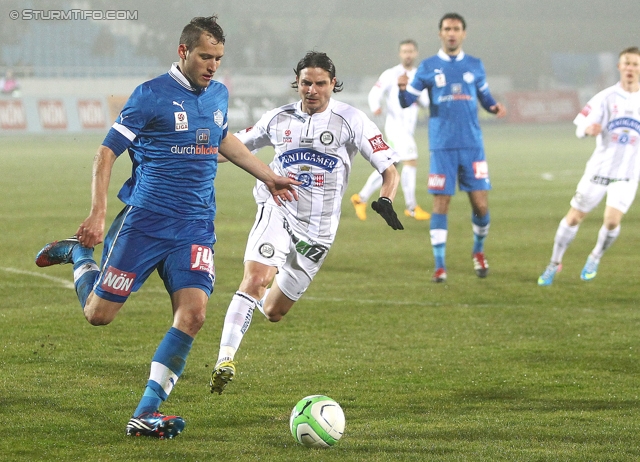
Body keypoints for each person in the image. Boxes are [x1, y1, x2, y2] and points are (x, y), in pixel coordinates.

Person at [33, 15, 298, 439]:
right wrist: (98, 214)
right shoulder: (150, 96)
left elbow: (220, 137)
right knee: (98, 316)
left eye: (218, 58)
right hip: (145, 223)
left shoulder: (218, 95)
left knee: (193, 315)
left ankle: (147, 412)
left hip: (194, 226)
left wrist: (266, 174)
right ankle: (79, 254)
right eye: (205, 57)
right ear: (183, 52)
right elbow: (106, 154)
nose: (213, 65)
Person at [209, 51, 404, 395]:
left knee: (273, 311)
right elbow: (231, 148)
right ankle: (225, 358)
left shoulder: (352, 121)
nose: (312, 90)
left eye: (320, 84)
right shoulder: (278, 118)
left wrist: (386, 198)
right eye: (306, 83)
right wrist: (187, 154)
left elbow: (389, 169)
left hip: (318, 232)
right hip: (277, 208)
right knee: (255, 279)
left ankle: (260, 299)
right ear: (297, 84)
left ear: (332, 84)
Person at [398, 12, 506, 283]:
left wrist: (494, 106)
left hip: (472, 146)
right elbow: (406, 100)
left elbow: (485, 96)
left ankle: (478, 252)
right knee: (440, 204)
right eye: (447, 29)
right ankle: (439, 265)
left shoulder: (475, 65)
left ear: (463, 33)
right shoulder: (428, 67)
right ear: (440, 33)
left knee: (481, 205)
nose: (451, 33)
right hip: (442, 147)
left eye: (456, 29)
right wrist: (402, 90)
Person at [538, 46, 640, 286]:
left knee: (613, 222)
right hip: (599, 171)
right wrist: (587, 129)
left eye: (635, 64)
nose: (630, 68)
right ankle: (554, 263)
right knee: (574, 217)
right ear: (619, 67)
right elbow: (580, 126)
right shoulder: (605, 98)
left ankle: (595, 257)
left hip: (628, 174)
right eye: (626, 63)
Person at [350, 39, 431, 221]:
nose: (408, 54)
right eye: (404, 51)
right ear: (400, 54)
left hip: (408, 129)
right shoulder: (391, 74)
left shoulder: (419, 76)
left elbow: (425, 102)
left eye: (410, 51)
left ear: (415, 53)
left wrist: (416, 95)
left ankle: (360, 198)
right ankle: (411, 207)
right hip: (395, 127)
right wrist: (375, 106)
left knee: (391, 166)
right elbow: (375, 93)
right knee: (411, 161)